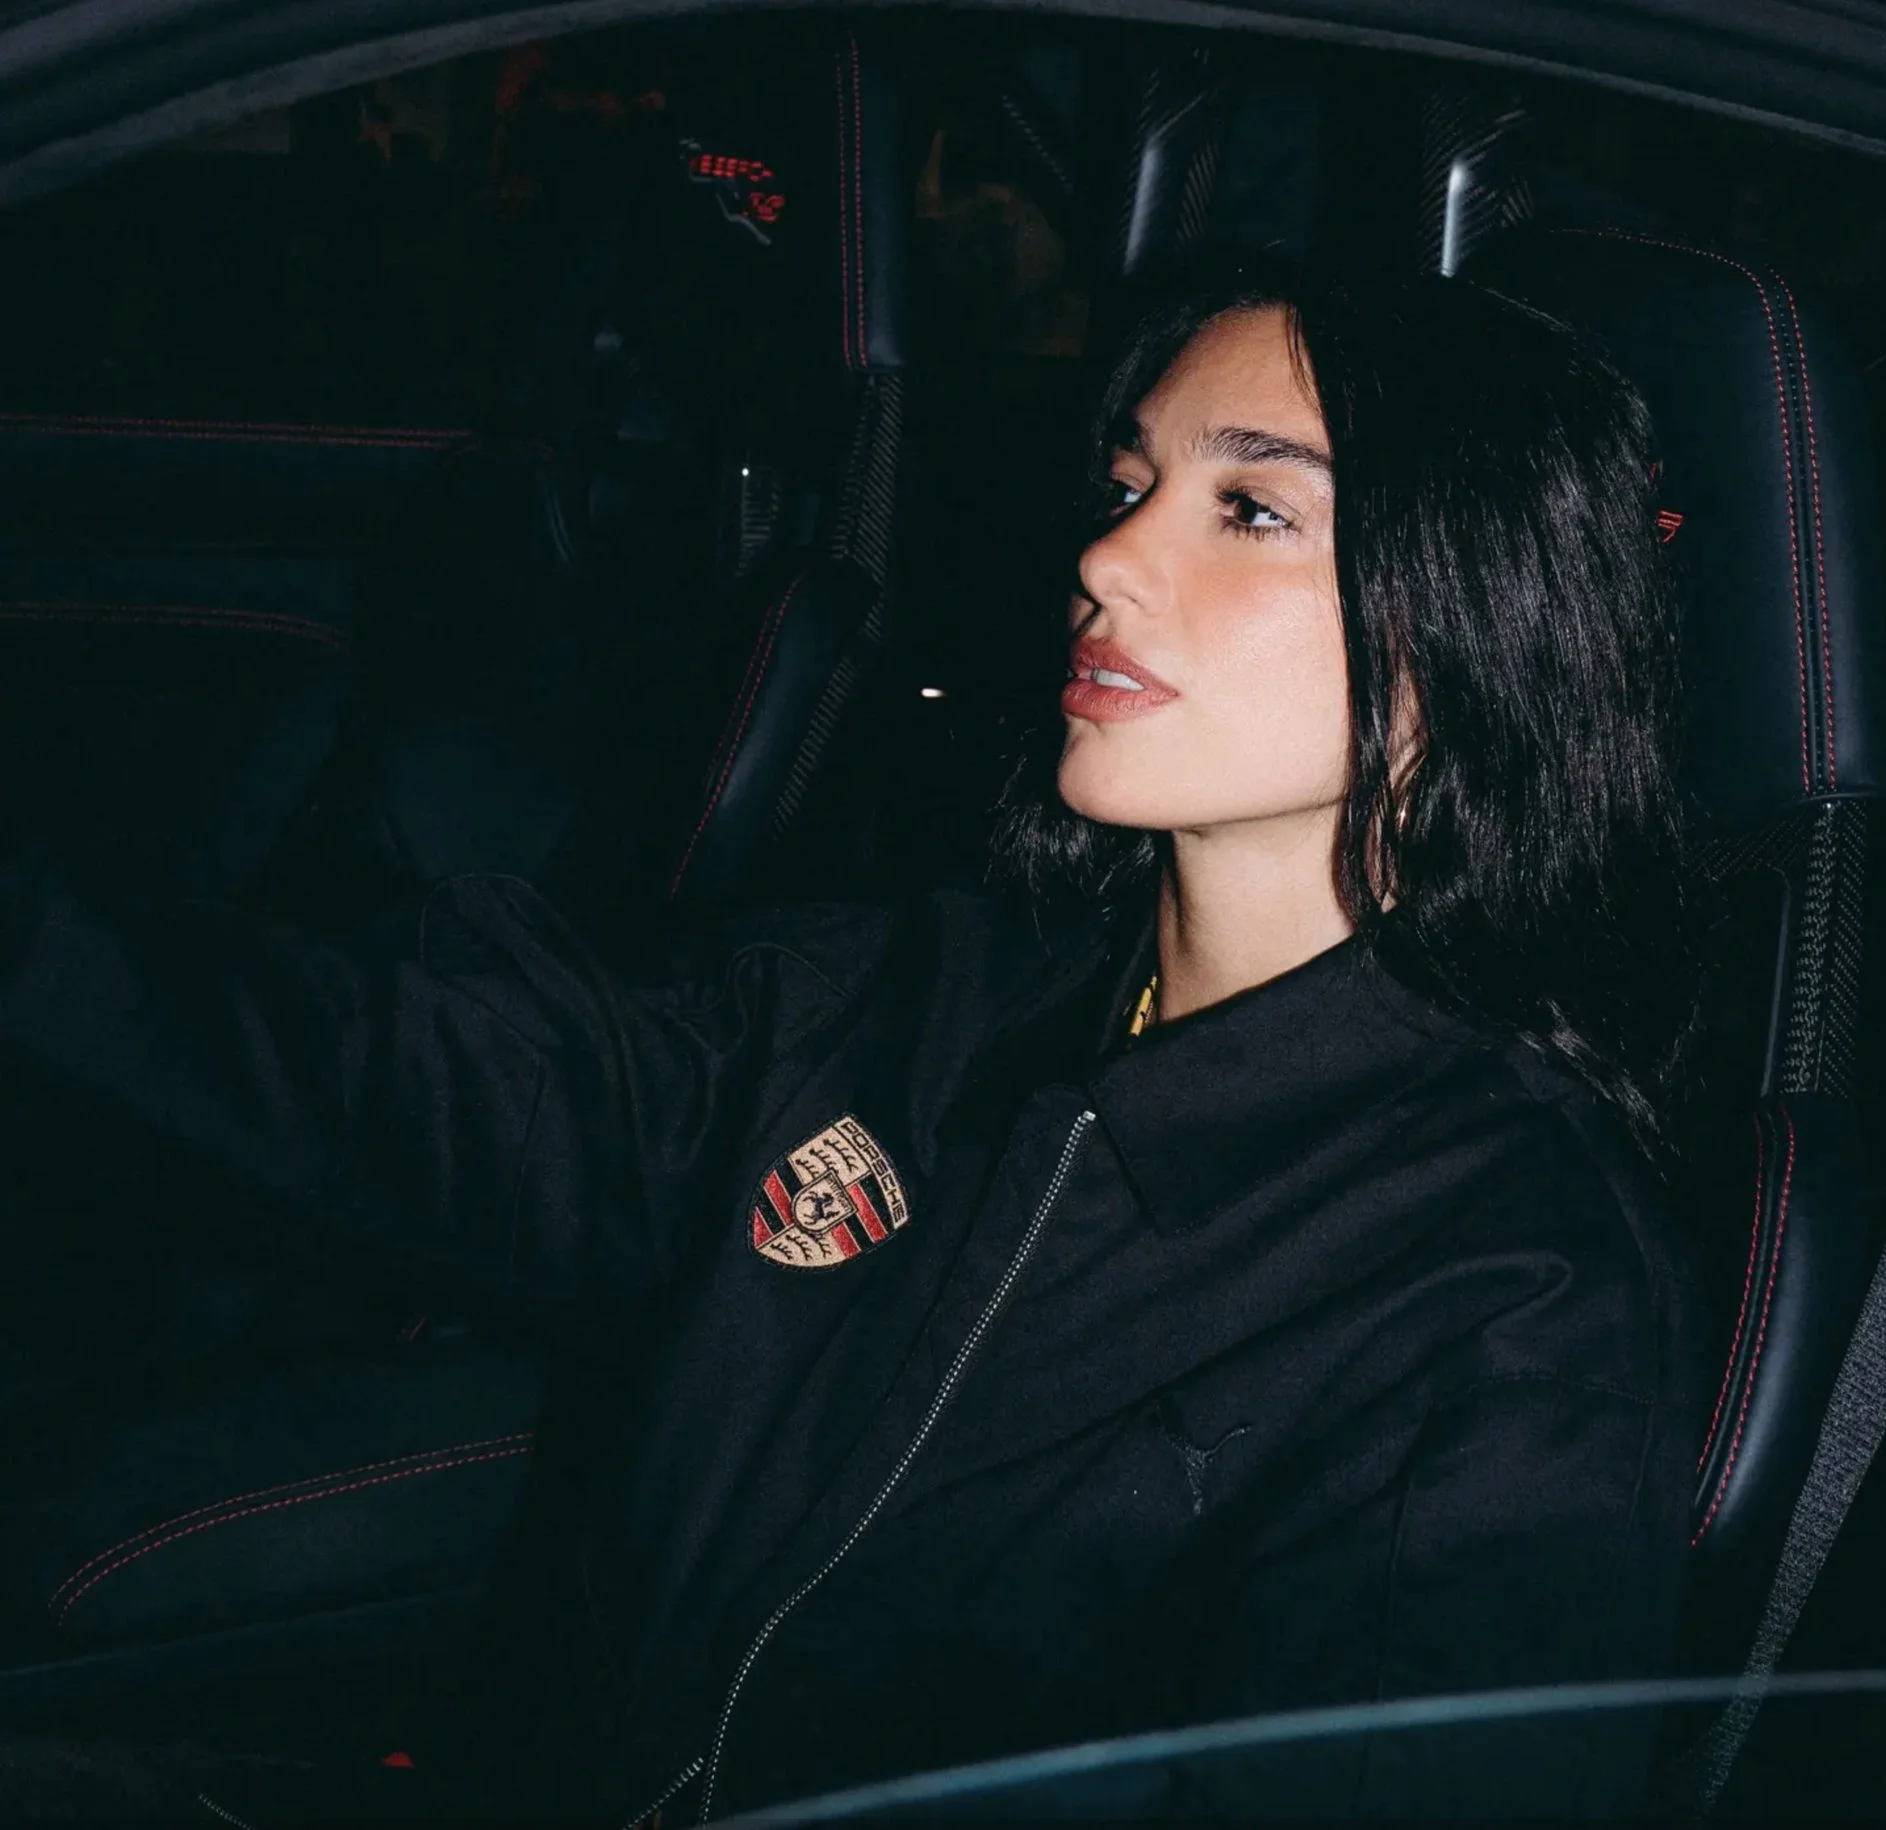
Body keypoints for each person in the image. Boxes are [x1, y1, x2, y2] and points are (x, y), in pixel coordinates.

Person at [0, 267, 1709, 1821]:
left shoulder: (1508, 1286)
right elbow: (421, 1087)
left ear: (1475, 629)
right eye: (1129, 487)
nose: (1110, 559)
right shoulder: (937, 996)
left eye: (1250, 508)